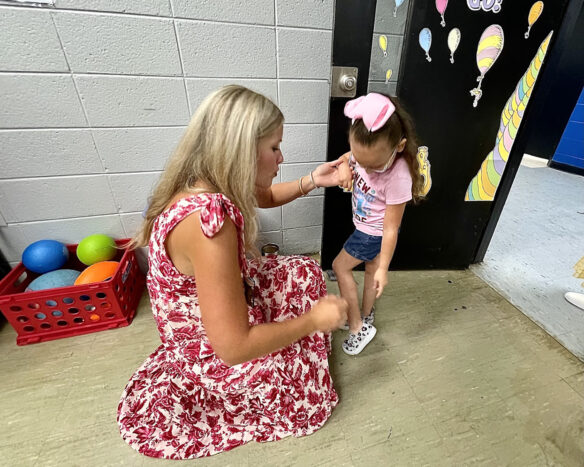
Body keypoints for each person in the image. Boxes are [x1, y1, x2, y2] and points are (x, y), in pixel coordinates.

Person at [117, 85, 349, 459]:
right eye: (274, 147)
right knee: (302, 396)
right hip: (213, 350)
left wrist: (313, 181)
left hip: (220, 310)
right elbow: (233, 347)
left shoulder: (203, 179)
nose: (281, 157)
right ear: (242, 150)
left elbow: (267, 196)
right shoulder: (209, 223)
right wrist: (313, 321)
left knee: (304, 271)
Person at [332, 92, 424, 355]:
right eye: (362, 163)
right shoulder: (365, 151)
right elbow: (347, 158)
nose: (367, 170)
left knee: (340, 267)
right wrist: (344, 168)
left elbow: (391, 228)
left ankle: (357, 326)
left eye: (374, 166)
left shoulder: (398, 178)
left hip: (371, 233)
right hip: (366, 227)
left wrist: (386, 267)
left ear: (399, 146)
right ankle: (367, 315)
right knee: (369, 273)